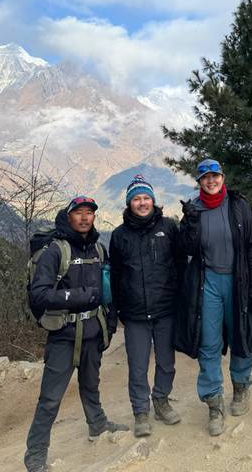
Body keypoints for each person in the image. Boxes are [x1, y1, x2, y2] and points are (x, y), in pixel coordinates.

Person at [25, 196, 128, 472]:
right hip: (63, 333)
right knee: (50, 398)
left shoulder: (98, 248)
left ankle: (98, 425)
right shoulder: (56, 251)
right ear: (68, 217)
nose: (84, 218)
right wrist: (79, 296)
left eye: (89, 213)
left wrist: (109, 322)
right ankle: (35, 456)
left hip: (92, 332)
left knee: (90, 384)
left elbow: (107, 290)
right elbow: (39, 294)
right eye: (79, 213)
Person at [177, 159, 252, 436]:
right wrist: (190, 223)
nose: (211, 181)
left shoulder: (237, 205)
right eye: (205, 177)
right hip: (208, 283)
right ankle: (214, 403)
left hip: (238, 280)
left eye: (215, 175)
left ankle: (240, 389)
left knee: (242, 336)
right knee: (209, 343)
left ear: (222, 177)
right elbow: (186, 249)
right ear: (199, 182)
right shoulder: (194, 209)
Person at [109, 175, 185, 437]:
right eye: (136, 199)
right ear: (129, 203)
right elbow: (116, 274)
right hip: (135, 313)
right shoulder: (119, 236)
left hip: (166, 307)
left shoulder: (169, 227)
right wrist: (118, 309)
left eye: (146, 198)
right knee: (138, 365)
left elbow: (180, 265)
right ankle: (141, 411)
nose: (142, 203)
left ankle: (161, 401)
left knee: (166, 362)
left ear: (153, 200)